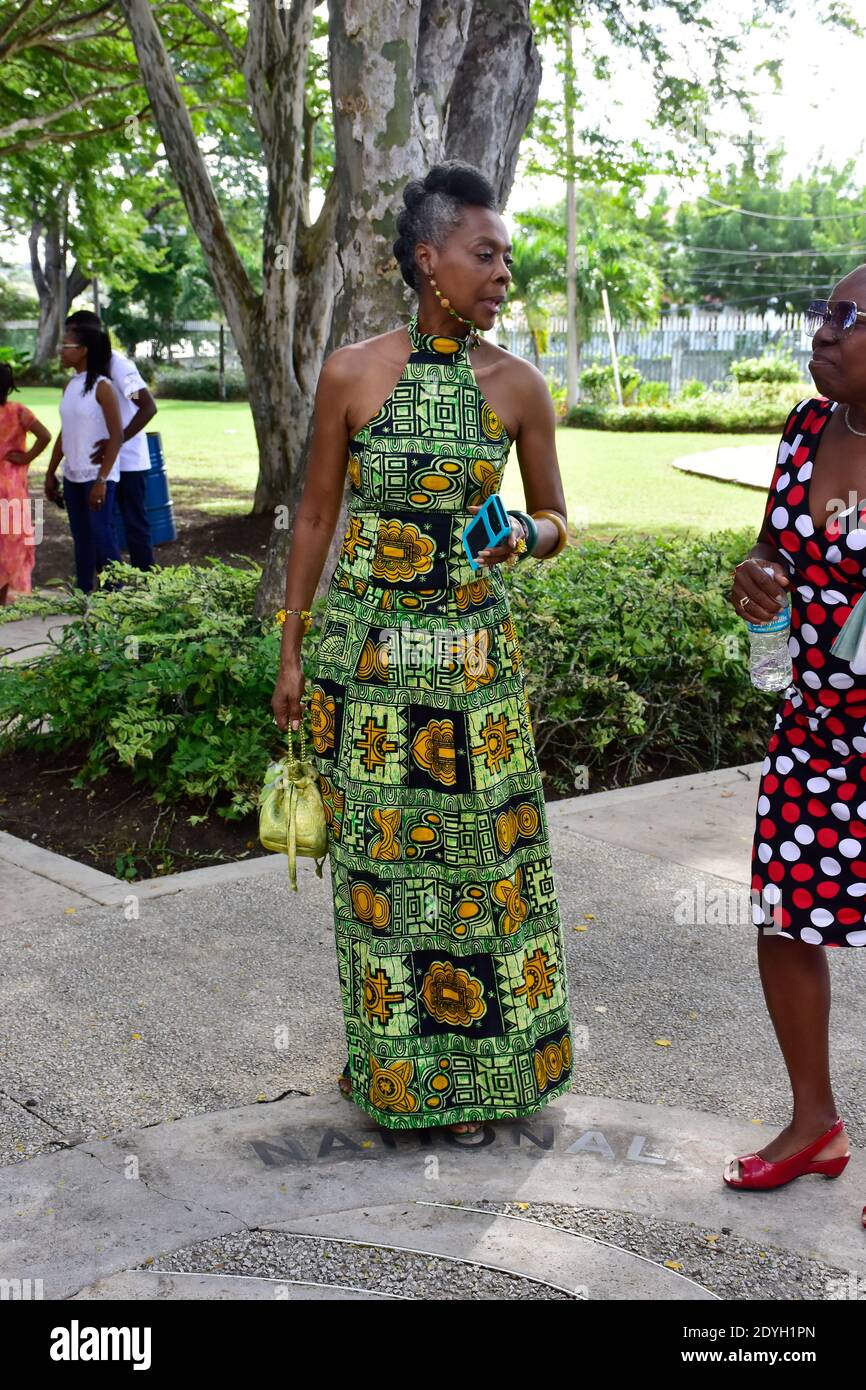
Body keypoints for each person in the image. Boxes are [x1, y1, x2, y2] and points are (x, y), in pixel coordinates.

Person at [271, 161, 573, 1137]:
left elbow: (557, 517)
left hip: (472, 668)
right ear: (425, 260)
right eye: (483, 255)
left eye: (506, 257)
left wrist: (526, 536)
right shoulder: (352, 371)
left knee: (479, 876)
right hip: (367, 666)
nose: (501, 274)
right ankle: (399, 1075)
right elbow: (315, 515)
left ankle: (483, 1082)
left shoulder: (518, 385)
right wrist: (292, 653)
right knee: (384, 880)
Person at [727, 266, 866, 1224]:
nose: (821, 331)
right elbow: (775, 544)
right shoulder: (807, 429)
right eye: (822, 312)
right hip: (812, 726)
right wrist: (760, 571)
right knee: (787, 919)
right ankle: (814, 1123)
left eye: (844, 318)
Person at [65, 310, 157, 572]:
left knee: (134, 525)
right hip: (100, 465)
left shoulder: (118, 365)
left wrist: (118, 441)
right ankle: (107, 586)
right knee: (100, 528)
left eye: (70, 338)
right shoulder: (85, 373)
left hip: (127, 461)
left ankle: (147, 588)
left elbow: (148, 407)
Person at [44, 320, 124, 594]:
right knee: (81, 538)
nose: (61, 351)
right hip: (73, 473)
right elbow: (65, 433)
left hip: (97, 476)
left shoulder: (103, 387)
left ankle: (117, 594)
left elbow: (117, 435)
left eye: (67, 346)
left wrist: (102, 480)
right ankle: (82, 592)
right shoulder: (69, 386)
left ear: (84, 350)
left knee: (101, 535)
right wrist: (50, 472)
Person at [0, 363, 50, 605]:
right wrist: (27, 457)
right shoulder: (19, 412)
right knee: (10, 541)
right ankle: (4, 597)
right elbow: (45, 435)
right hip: (12, 485)